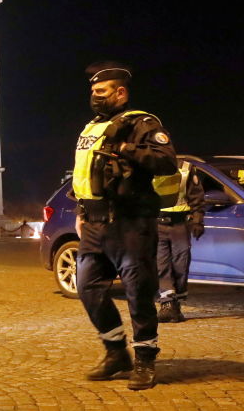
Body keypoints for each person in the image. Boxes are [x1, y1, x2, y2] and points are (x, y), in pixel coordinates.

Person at [72, 61, 178, 390]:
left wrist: (126, 149)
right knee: (87, 287)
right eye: (92, 91)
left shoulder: (142, 123)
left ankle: (145, 358)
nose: (95, 96)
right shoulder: (92, 127)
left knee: (138, 292)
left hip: (131, 221)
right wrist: (81, 209)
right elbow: (87, 174)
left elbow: (166, 160)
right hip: (94, 222)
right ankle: (116, 352)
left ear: (121, 92)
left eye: (101, 91)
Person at [155, 161, 205, 322]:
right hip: (155, 224)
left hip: (180, 224)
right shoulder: (147, 166)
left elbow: (196, 197)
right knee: (161, 265)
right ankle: (166, 304)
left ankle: (175, 304)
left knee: (181, 265)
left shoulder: (185, 170)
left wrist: (198, 221)